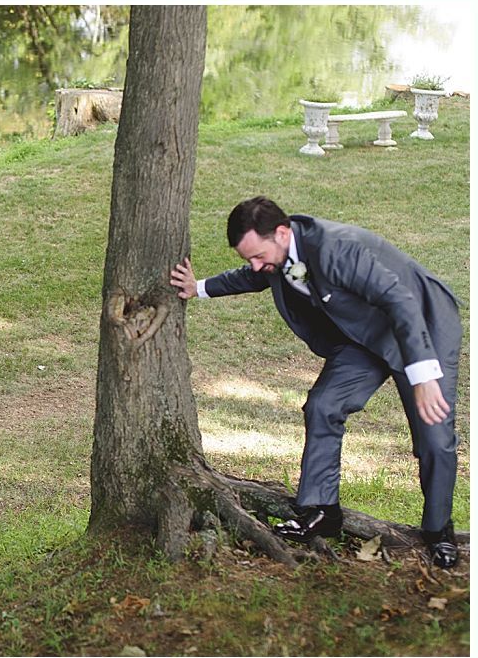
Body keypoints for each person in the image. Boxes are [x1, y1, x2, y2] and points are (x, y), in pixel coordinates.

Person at [170, 197, 461, 569]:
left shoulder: (336, 249)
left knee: (434, 437)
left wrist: (423, 376)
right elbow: (254, 276)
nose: (257, 266)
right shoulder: (276, 252)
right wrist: (199, 288)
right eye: (250, 259)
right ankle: (322, 511)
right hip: (363, 334)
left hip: (422, 326)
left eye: (258, 256)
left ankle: (439, 532)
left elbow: (401, 303)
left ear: (281, 232)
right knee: (324, 405)